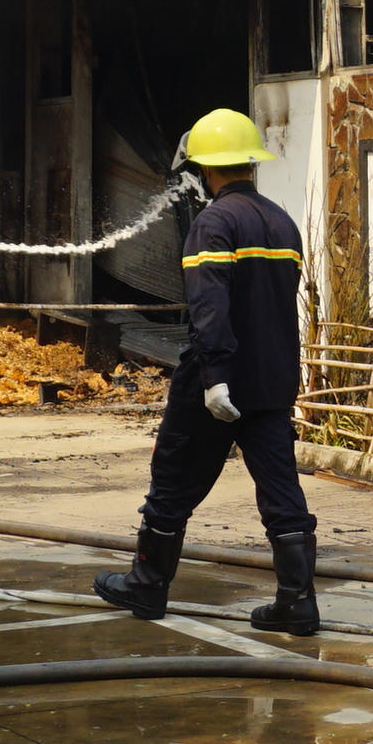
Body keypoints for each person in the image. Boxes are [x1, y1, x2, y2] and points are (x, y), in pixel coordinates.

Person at [92, 109, 321, 637]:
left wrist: (215, 376)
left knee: (173, 479)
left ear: (206, 169)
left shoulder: (213, 224)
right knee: (281, 490)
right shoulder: (281, 222)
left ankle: (147, 584)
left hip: (218, 383)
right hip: (272, 381)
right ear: (250, 162)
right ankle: (297, 602)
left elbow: (210, 305)